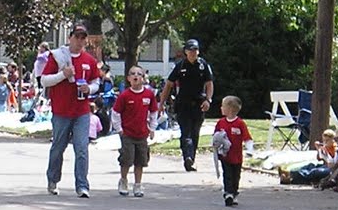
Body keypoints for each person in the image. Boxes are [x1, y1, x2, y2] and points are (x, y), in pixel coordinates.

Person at [41, 24, 102, 197]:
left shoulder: (89, 61)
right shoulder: (58, 57)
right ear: (70, 38)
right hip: (61, 111)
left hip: (81, 112)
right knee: (58, 147)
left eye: (83, 37)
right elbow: (45, 80)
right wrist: (63, 75)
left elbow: (96, 82)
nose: (80, 40)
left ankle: (82, 185)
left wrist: (89, 89)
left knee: (82, 148)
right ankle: (53, 179)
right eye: (77, 37)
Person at [159, 38, 214, 171]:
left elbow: (209, 84)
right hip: (183, 104)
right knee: (186, 131)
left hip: (199, 104)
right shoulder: (180, 66)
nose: (193, 53)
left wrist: (208, 100)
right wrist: (162, 102)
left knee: (195, 132)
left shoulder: (203, 65)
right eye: (190, 50)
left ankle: (191, 158)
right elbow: (169, 84)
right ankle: (187, 157)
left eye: (195, 50)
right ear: (186, 52)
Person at [111, 65, 159, 196]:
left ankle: (138, 184)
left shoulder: (149, 95)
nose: (136, 76)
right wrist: (119, 129)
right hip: (127, 133)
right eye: (133, 74)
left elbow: (154, 112)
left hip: (142, 133)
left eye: (139, 74)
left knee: (141, 160)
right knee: (126, 158)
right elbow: (115, 113)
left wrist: (152, 128)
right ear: (128, 78)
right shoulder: (125, 95)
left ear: (143, 78)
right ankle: (124, 180)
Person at [212, 95, 254, 207]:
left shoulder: (240, 124)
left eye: (223, 106)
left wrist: (250, 149)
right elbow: (215, 136)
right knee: (228, 174)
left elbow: (247, 138)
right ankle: (228, 193)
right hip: (225, 156)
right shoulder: (221, 123)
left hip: (237, 156)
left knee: (236, 176)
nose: (221, 108)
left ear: (230, 109)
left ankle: (234, 193)